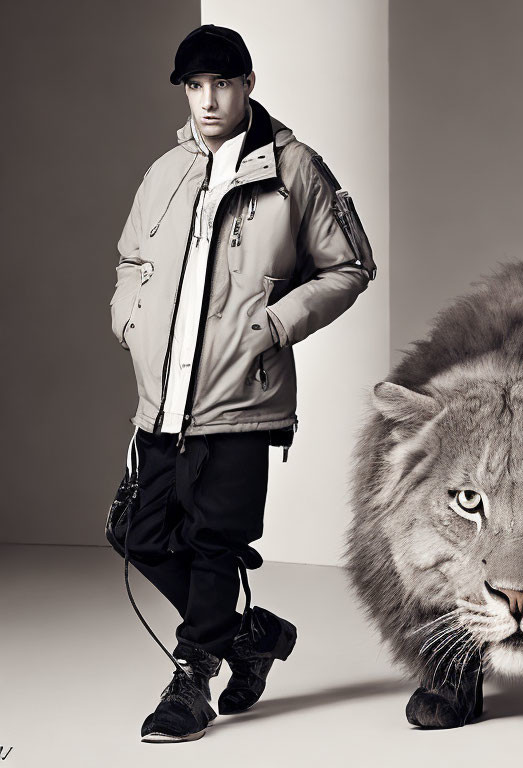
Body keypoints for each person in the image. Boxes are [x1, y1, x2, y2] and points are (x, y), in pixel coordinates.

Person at [108, 23, 376, 743]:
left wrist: (277, 324)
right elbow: (132, 258)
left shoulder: (295, 170)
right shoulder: (166, 171)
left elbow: (350, 265)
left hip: (241, 397)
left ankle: (191, 678)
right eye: (195, 87)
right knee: (135, 529)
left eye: (221, 84)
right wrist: (130, 319)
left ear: (248, 84)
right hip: (164, 399)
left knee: (214, 538)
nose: (208, 100)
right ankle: (249, 635)